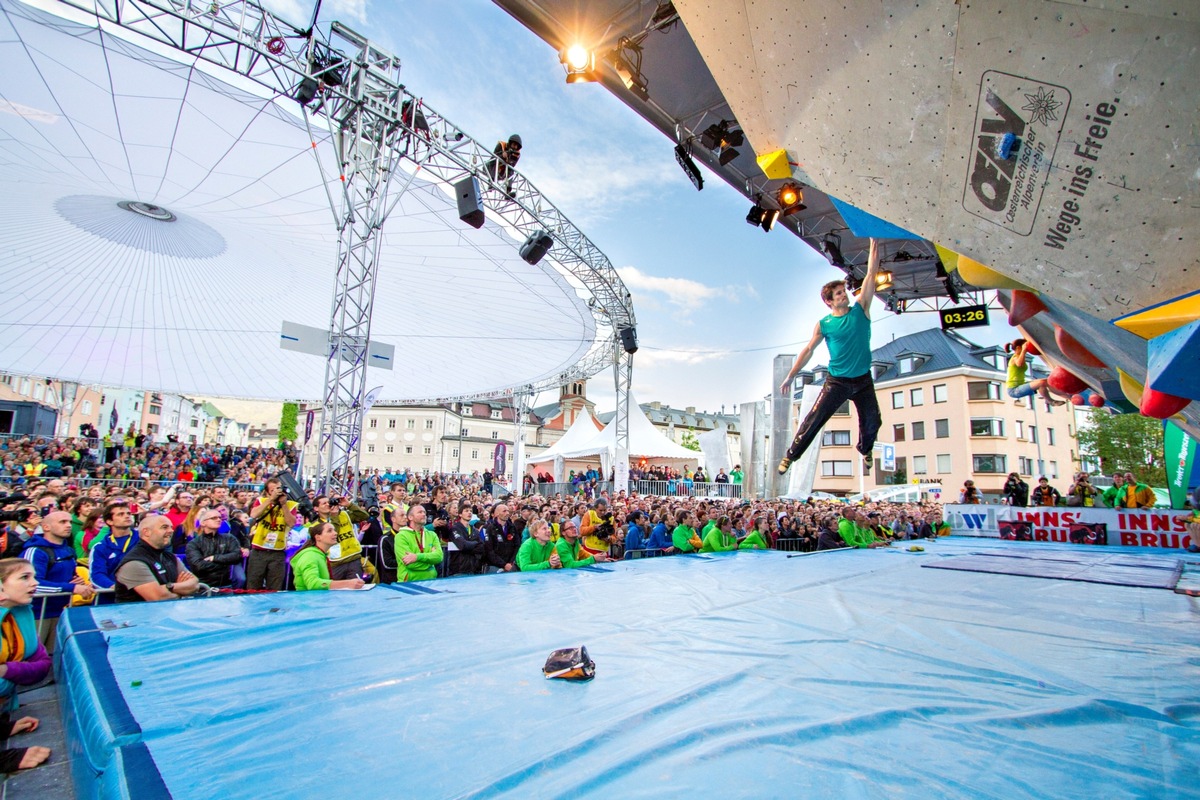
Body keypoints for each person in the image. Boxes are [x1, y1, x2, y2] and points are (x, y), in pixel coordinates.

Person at [778, 238, 884, 475]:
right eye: (838, 294)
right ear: (829, 301)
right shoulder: (824, 324)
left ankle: (865, 449)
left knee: (873, 420)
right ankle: (790, 456)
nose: (843, 295)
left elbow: (871, 275)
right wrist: (790, 376)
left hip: (863, 379)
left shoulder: (861, 309)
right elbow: (808, 351)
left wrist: (874, 244)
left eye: (843, 292)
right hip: (837, 381)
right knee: (815, 418)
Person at [0, 559, 52, 773]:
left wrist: (6, 670)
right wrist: (8, 760)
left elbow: (42, 665)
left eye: (33, 576)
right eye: (24, 577)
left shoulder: (21, 614)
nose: (35, 583)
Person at [20, 510, 93, 650]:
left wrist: (76, 582)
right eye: (62, 522)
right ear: (46, 527)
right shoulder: (35, 551)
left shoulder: (69, 551)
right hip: (35, 613)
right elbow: (30, 584)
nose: (68, 525)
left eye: (70, 522)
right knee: (30, 656)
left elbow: (70, 578)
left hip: (60, 611)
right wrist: (71, 588)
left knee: (54, 658)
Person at [114, 515, 200, 602]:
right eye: (164, 527)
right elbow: (158, 598)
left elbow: (195, 584)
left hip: (168, 613)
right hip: (137, 614)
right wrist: (181, 591)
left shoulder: (170, 557)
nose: (171, 531)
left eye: (171, 527)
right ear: (146, 532)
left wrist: (169, 587)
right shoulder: (134, 562)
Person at [245, 478, 297, 591]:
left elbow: (291, 523)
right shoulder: (261, 501)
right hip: (259, 550)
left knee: (275, 586)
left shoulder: (291, 505)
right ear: (268, 492)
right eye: (273, 490)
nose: (277, 492)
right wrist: (270, 500)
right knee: (253, 584)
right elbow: (253, 514)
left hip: (278, 551)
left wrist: (283, 505)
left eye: (278, 488)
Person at [291, 521, 366, 591]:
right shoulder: (309, 556)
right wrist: (347, 583)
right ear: (318, 537)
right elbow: (312, 583)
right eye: (330, 531)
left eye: (334, 530)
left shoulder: (320, 555)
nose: (335, 533)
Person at [185, 509, 246, 589]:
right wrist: (226, 562)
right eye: (214, 518)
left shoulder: (229, 538)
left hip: (226, 586)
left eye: (220, 518)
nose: (218, 520)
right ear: (203, 523)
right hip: (203, 587)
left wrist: (215, 558)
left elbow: (237, 556)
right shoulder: (194, 543)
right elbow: (199, 566)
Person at [1004, 339, 1067, 407]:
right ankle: (1050, 401)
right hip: (1014, 390)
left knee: (1046, 381)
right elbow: (1019, 364)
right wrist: (1024, 351)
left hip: (1021, 384)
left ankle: (1063, 396)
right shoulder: (1015, 358)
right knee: (1041, 382)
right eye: (1026, 348)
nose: (1027, 350)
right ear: (1018, 348)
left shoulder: (1019, 356)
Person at [89, 502, 139, 589]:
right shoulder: (100, 547)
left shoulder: (144, 540)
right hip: (113, 596)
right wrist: (115, 587)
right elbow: (97, 575)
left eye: (128, 513)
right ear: (109, 521)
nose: (127, 516)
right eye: (121, 514)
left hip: (144, 593)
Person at [393, 505, 443, 583]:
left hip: (431, 581)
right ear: (410, 517)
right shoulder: (401, 536)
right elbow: (410, 564)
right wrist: (430, 562)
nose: (424, 514)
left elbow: (439, 557)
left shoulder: (432, 535)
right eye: (420, 512)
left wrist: (417, 557)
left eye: (424, 512)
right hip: (409, 583)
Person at [481, 503, 519, 574]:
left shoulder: (512, 527)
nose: (507, 513)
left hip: (510, 564)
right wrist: (503, 564)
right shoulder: (490, 528)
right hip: (494, 565)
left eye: (508, 511)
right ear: (497, 514)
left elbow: (517, 545)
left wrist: (510, 562)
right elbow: (489, 550)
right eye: (504, 511)